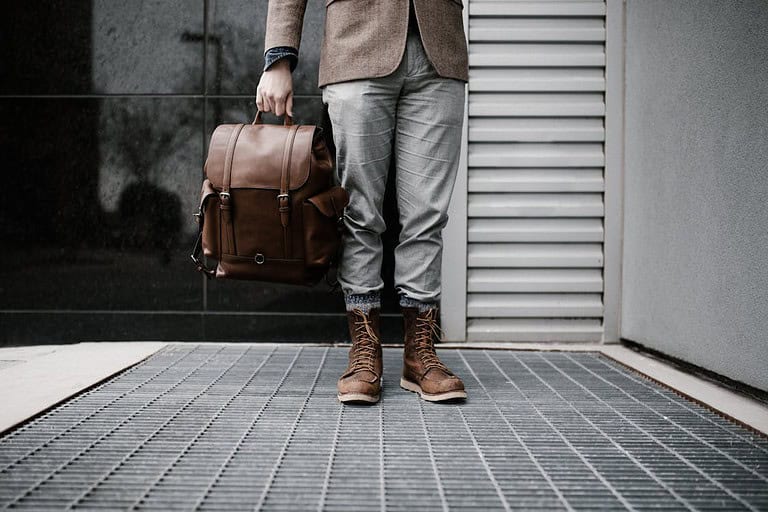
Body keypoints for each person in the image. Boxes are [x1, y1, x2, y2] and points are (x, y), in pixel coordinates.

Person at [257, 0, 468, 404]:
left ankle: (419, 352)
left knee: (428, 214)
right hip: (356, 48)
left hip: (440, 49)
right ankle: (364, 347)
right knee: (358, 211)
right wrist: (278, 58)